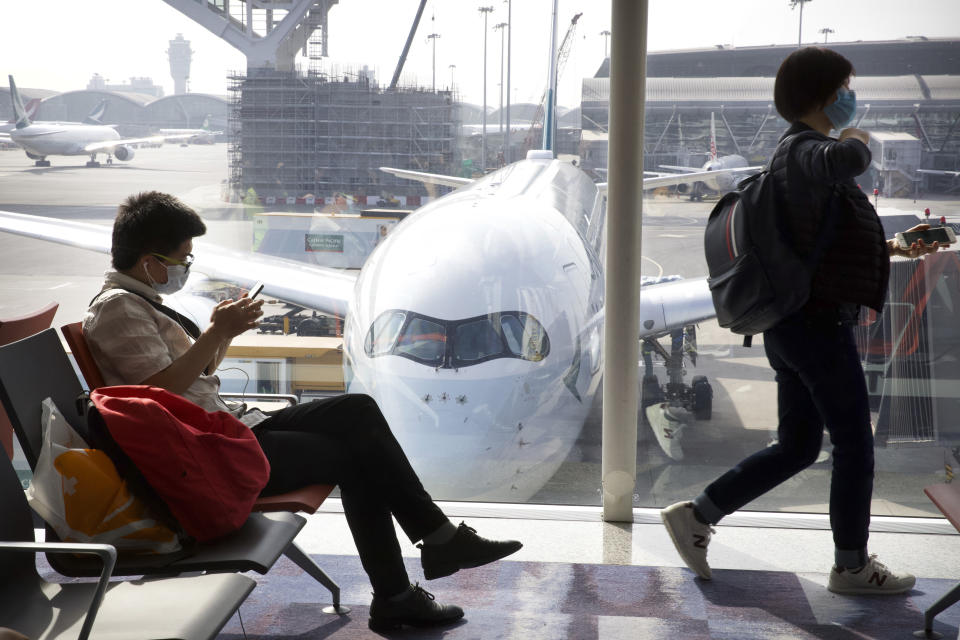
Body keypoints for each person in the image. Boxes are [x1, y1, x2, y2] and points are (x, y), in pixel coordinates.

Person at [83, 191, 523, 631]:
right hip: (209, 452)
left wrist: (223, 334)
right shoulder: (118, 310)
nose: (186, 268)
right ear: (149, 262)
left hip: (226, 428)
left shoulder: (139, 301)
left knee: (358, 410)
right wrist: (215, 330)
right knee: (359, 457)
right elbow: (158, 393)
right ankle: (411, 576)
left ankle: (431, 550)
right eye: (183, 259)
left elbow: (193, 375)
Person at [661, 47, 948, 595]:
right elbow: (842, 161)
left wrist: (893, 248)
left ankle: (698, 515)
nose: (851, 97)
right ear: (823, 95)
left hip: (796, 323)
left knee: (798, 445)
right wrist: (857, 141)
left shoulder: (797, 160)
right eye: (845, 87)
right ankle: (852, 566)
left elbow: (817, 247)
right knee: (854, 444)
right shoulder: (806, 151)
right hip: (814, 326)